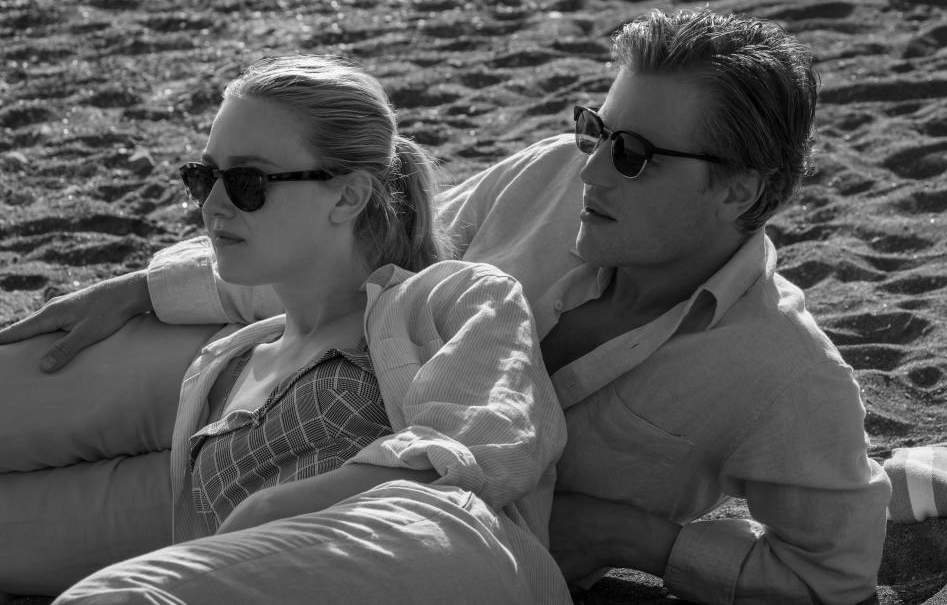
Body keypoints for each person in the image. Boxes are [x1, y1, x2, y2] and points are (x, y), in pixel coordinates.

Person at [0, 8, 891, 604]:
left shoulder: (784, 373)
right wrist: (144, 289)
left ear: (742, 190)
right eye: (595, 128)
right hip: (250, 364)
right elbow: (374, 253)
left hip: (337, 523)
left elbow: (833, 573)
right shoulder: (548, 175)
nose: (587, 168)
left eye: (633, 154)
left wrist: (635, 539)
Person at [0, 55, 570, 603]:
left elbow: (485, 446)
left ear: (348, 194)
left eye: (248, 183)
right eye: (203, 178)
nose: (213, 206)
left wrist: (268, 513)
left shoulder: (457, 295)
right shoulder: (236, 353)